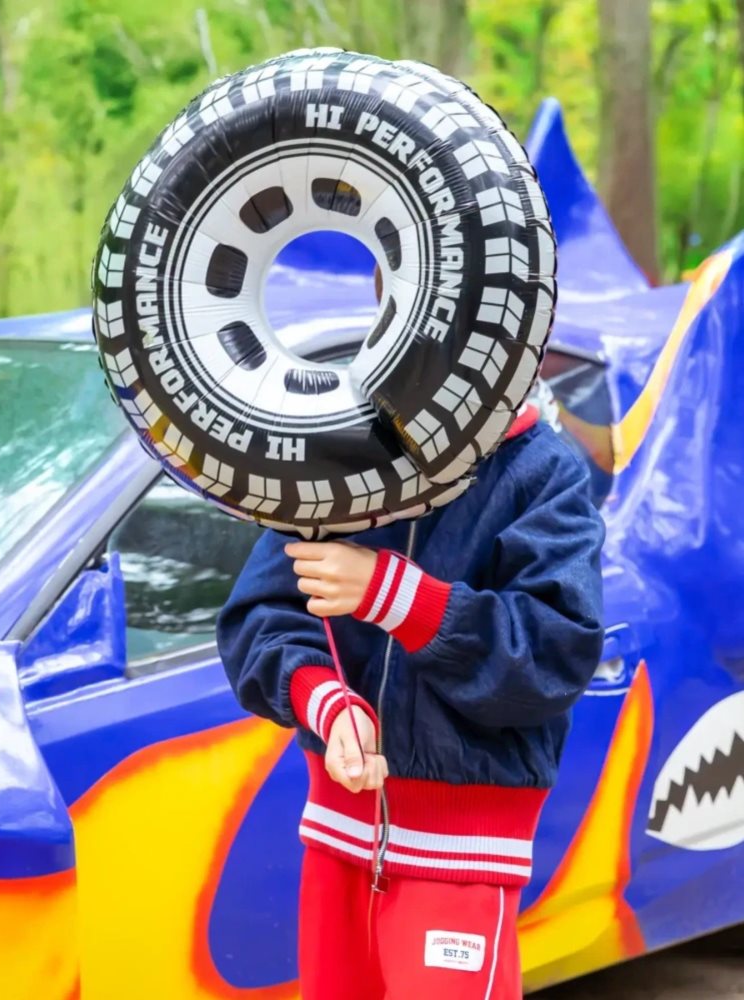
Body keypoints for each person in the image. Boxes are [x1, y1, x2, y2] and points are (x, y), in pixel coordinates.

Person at [216, 382, 605, 999]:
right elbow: (260, 615)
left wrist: (394, 594)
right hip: (336, 835)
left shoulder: (541, 470)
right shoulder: (339, 455)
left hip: (464, 857)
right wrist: (326, 703)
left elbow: (553, 655)